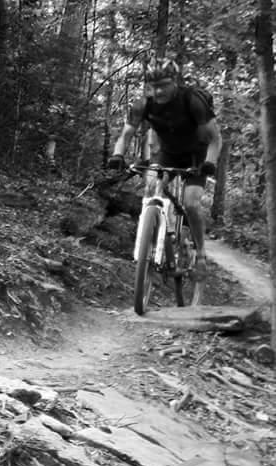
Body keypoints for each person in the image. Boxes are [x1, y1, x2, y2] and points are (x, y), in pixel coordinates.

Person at [107, 58, 223, 305]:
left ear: (175, 83)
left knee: (191, 203)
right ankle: (159, 230)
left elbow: (215, 139)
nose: (158, 91)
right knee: (152, 188)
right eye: (153, 85)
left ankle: (200, 254)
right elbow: (126, 134)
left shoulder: (192, 100)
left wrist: (210, 162)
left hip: (197, 154)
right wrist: (118, 154)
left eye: (164, 85)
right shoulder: (143, 104)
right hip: (168, 152)